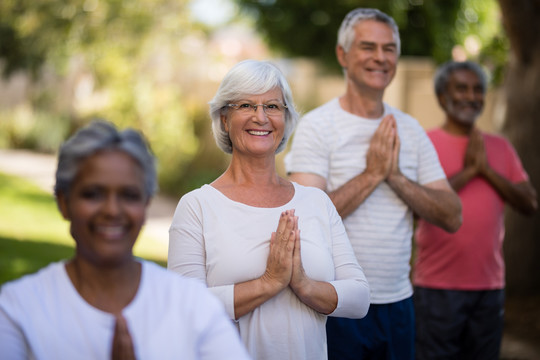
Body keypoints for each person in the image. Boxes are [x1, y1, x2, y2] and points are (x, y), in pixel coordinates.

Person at [285, 8, 463, 360]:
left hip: (398, 303)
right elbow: (305, 220)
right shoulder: (318, 126)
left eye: (389, 49)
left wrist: (394, 176)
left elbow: (452, 215)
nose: (380, 58)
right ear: (342, 55)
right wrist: (371, 175)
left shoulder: (409, 129)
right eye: (368, 47)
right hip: (334, 302)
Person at [168, 59, 370, 360]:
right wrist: (269, 282)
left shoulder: (316, 202)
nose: (260, 117)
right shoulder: (198, 206)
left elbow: (359, 298)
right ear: (224, 118)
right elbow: (185, 309)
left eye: (273, 107)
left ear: (285, 119)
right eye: (246, 105)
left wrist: (303, 283)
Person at [0, 120, 251, 360]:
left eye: (129, 195)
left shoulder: (192, 306)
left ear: (145, 205)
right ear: (64, 202)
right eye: (93, 194)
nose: (111, 210)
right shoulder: (17, 310)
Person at [413, 61, 538, 359]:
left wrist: (488, 172)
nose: (472, 96)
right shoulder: (423, 144)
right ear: (443, 96)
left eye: (478, 89)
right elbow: (418, 207)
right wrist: (469, 172)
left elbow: (529, 203)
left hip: (489, 288)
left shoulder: (500, 146)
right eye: (462, 88)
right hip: (436, 288)